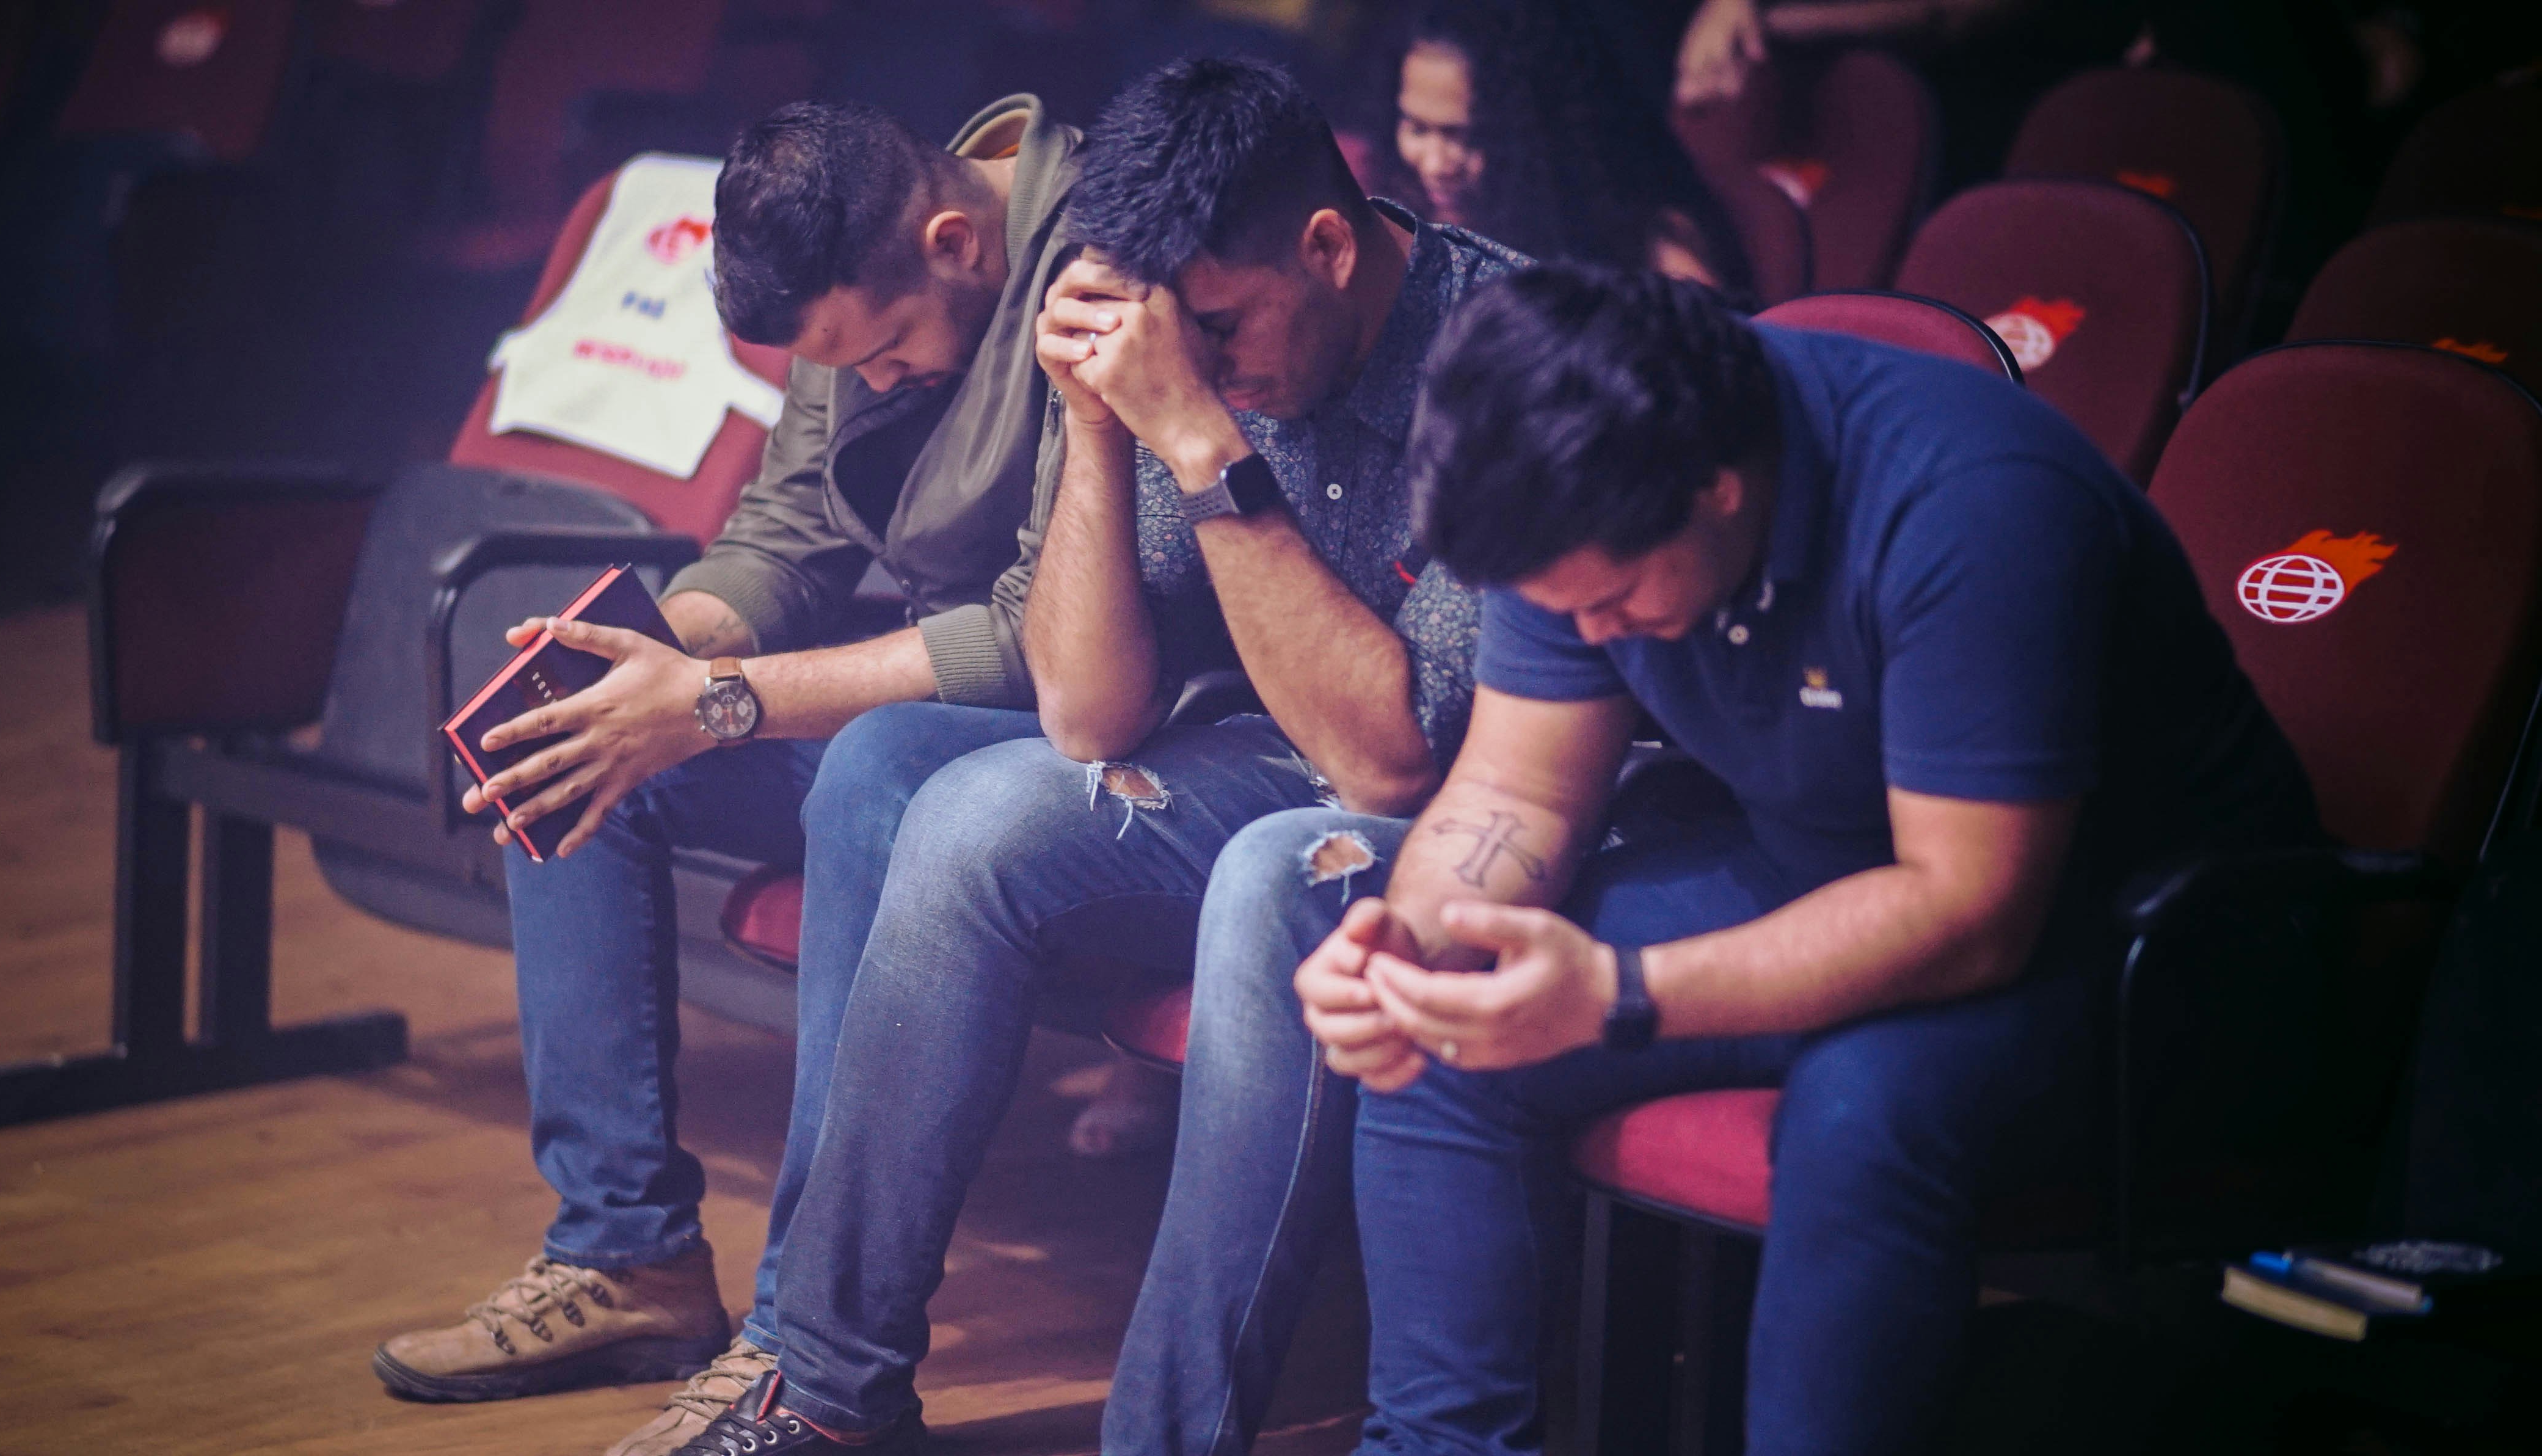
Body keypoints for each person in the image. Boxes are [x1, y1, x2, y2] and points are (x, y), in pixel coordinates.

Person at [1203, 265, 2316, 1455]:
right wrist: (1408, 950)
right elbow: (1515, 787)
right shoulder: (1562, 487)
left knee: (1861, 1108)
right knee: (1450, 1033)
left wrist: (1616, 996)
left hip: (2131, 944)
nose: (1588, 638)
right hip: (1835, 868)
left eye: (1615, 599)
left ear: (1716, 489)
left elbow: (1972, 908)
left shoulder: (1969, 502)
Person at [663, 56, 1524, 1456]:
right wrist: (1090, 421)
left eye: (1229, 327)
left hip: (1477, 798)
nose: (1213, 361)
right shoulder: (1191, 334)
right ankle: (825, 1385)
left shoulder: (1495, 351)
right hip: (1259, 748)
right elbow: (1087, 715)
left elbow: (1387, 757)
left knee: (1265, 862)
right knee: (958, 812)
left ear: (1323, 244)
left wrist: (1195, 436)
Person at [370, 94, 1085, 1456]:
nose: (867, 379)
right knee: (586, 732)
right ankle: (623, 1251)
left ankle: (797, 1342)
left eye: (878, 355)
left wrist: (714, 699)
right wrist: (657, 657)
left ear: (956, 242)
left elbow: (1045, 635)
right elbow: (790, 522)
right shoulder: (858, 256)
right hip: (944, 685)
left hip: (1096, 712)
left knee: (868, 772)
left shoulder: (1095, 265)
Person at [1368, 0, 1754, 289]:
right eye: (1417, 128)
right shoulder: (1403, 236)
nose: (1434, 165)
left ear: (1534, 139)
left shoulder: (1651, 260)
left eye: (1468, 138)